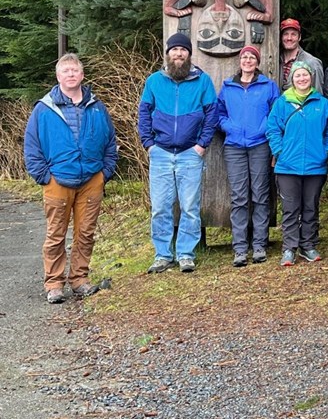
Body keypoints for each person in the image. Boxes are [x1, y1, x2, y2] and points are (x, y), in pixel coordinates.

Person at [24, 53, 118, 304]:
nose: (71, 74)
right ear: (58, 76)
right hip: (57, 180)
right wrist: (44, 176)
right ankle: (54, 283)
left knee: (86, 233)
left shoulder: (97, 107)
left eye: (75, 70)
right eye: (66, 71)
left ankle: (79, 279)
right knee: (56, 234)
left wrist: (104, 173)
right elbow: (32, 146)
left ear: (82, 75)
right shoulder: (44, 109)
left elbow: (110, 141)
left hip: (91, 180)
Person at [138, 33, 217, 274]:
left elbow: (212, 115)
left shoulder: (202, 81)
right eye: (175, 50)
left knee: (190, 206)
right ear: (168, 53)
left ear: (190, 54)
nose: (179, 54)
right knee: (160, 207)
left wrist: (201, 145)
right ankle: (163, 255)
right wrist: (149, 144)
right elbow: (143, 114)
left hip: (190, 153)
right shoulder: (154, 81)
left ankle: (185, 254)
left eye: (183, 50)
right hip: (160, 153)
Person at [217, 45, 280, 267]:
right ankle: (240, 248)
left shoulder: (268, 86)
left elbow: (276, 112)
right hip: (234, 146)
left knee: (261, 195)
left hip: (260, 144)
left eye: (252, 57)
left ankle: (260, 245)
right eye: (244, 57)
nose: (247, 61)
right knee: (239, 197)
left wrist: (264, 128)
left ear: (257, 62)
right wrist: (229, 127)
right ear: (239, 61)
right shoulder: (228, 86)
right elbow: (219, 113)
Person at [266, 61, 328, 266]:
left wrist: (326, 151)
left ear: (311, 77)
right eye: (297, 76)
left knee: (310, 207)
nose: (302, 79)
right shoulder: (282, 102)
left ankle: (308, 245)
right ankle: (289, 248)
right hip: (287, 165)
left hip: (315, 164)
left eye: (305, 75)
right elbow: (272, 129)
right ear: (291, 79)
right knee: (291, 208)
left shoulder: (322, 103)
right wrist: (279, 151)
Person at [279, 17, 324, 92]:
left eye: (293, 34)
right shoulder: (274, 61)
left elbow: (317, 94)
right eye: (286, 34)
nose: (289, 38)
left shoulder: (312, 63)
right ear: (281, 37)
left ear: (299, 37)